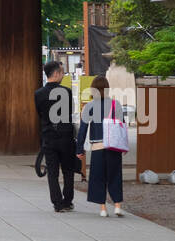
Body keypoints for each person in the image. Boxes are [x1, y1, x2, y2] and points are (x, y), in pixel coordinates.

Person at [76, 75, 124, 217]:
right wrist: (124, 146)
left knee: (98, 177)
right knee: (115, 175)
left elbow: (83, 130)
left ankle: (103, 208)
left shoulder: (89, 106)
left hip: (97, 146)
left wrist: (79, 149)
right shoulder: (117, 105)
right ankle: (117, 206)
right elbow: (122, 126)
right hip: (114, 146)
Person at [34, 61, 76, 212]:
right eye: (62, 72)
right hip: (65, 135)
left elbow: (40, 114)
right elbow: (70, 112)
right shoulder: (66, 91)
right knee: (68, 170)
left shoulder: (38, 94)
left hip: (48, 135)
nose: (63, 75)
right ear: (56, 73)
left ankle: (57, 204)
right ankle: (68, 201)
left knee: (52, 172)